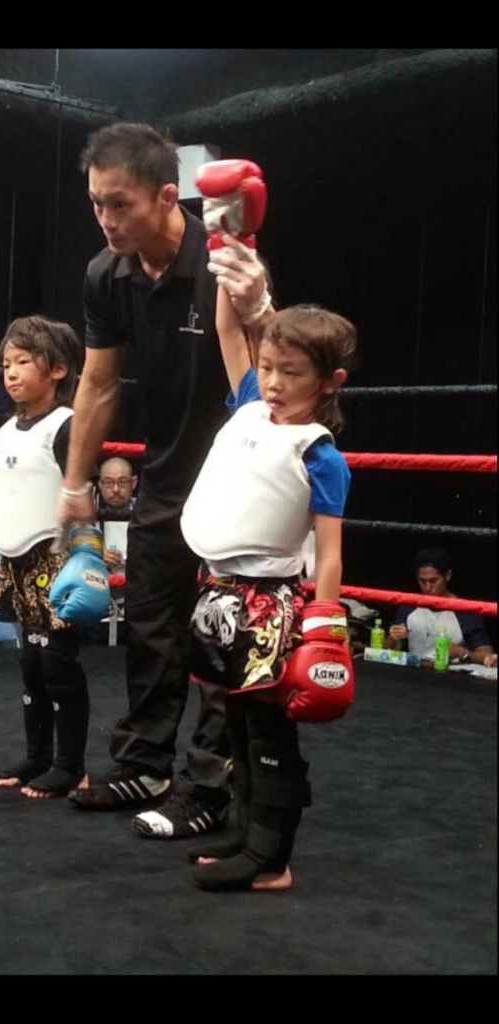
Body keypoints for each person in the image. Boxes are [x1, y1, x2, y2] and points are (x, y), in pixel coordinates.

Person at [61, 125, 273, 836]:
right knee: (150, 624)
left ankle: (209, 786)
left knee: (217, 632)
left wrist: (257, 302)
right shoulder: (106, 275)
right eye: (96, 203)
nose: (106, 219)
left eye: (119, 204)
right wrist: (75, 483)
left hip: (235, 482)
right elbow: (97, 384)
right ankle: (145, 764)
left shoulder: (223, 260)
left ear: (165, 196)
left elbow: (272, 362)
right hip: (163, 475)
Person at [157, 279, 357, 891]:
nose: (272, 382)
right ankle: (249, 835)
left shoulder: (320, 454)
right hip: (221, 591)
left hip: (272, 601)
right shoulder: (250, 405)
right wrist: (230, 255)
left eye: (290, 373)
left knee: (269, 726)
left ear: (330, 381)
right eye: (268, 367)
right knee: (237, 722)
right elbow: (227, 328)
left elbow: (329, 553)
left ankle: (272, 860)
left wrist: (326, 629)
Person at [0, 315, 93, 799]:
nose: (11, 372)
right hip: (17, 563)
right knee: (30, 663)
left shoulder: (66, 427)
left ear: (58, 369)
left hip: (55, 561)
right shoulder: (7, 430)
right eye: (7, 363)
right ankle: (38, 755)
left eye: (23, 361)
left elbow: (84, 494)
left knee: (56, 666)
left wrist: (88, 557)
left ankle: (71, 766)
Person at [389, 547, 497, 668]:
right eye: (422, 581)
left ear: (448, 576)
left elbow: (488, 656)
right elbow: (387, 651)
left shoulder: (465, 611)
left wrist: (463, 653)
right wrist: (393, 638)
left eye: (433, 581)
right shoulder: (409, 606)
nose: (428, 587)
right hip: (413, 673)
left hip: (452, 675)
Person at [97, 456, 138, 573]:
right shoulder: (90, 511)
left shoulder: (146, 512)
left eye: (122, 482)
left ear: (133, 483)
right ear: (100, 484)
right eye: (109, 482)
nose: (116, 489)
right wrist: (96, 555)